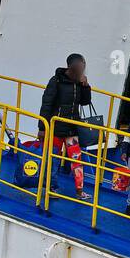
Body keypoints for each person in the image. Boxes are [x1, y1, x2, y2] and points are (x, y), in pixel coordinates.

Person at [39, 53, 93, 200]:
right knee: (53, 160)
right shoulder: (56, 81)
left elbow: (85, 102)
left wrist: (86, 86)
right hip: (55, 129)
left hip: (72, 129)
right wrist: (42, 128)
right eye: (80, 67)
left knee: (77, 160)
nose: (82, 71)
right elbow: (47, 104)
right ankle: (52, 187)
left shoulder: (79, 83)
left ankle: (79, 190)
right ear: (71, 67)